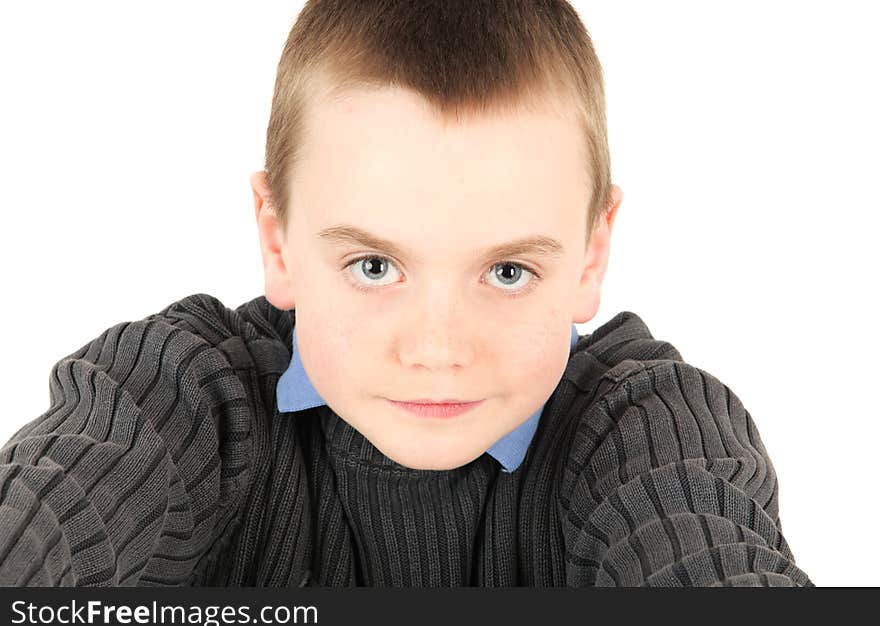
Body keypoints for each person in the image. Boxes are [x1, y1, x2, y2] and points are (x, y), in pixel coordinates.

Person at [0, 0, 813, 587]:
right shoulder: (184, 398)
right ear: (277, 240)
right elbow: (55, 508)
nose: (435, 350)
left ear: (592, 255)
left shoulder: (648, 430)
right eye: (374, 267)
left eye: (507, 272)